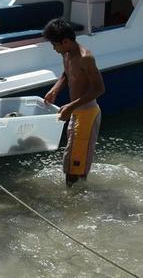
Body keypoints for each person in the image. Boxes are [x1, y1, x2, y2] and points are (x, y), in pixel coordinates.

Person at [42, 18, 105, 187]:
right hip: (76, 113)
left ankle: (79, 204)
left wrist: (71, 106)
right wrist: (55, 89)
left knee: (75, 169)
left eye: (55, 45)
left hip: (87, 114)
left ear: (66, 41)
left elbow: (99, 89)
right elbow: (67, 73)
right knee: (71, 162)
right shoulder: (66, 52)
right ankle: (74, 199)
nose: (54, 49)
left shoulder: (86, 58)